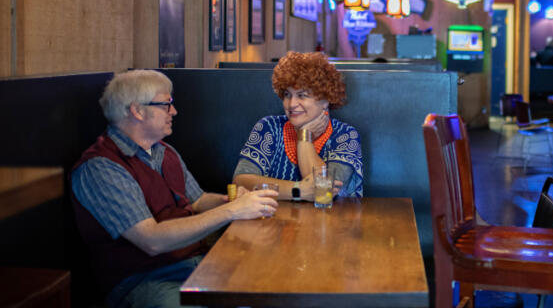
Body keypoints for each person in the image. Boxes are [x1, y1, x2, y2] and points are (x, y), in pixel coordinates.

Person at [71, 70, 278, 308]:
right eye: (166, 105)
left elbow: (198, 200)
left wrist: (233, 201)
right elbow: (151, 240)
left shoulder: (164, 151)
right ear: (137, 110)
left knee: (265, 292)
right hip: (142, 280)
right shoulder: (101, 167)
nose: (174, 112)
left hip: (195, 263)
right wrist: (231, 212)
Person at [233, 51, 363, 200]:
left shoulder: (345, 135)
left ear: (326, 99)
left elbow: (323, 194)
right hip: (272, 221)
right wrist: (298, 190)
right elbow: (240, 182)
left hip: (328, 222)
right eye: (287, 94)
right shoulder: (269, 127)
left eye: (302, 95)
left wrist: (304, 137)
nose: (292, 104)